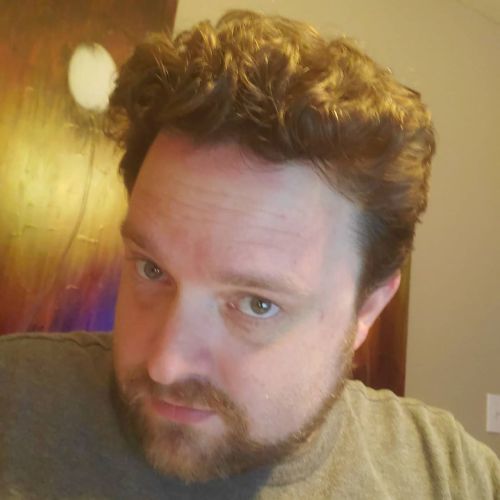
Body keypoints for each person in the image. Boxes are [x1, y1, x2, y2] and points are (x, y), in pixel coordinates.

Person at [1, 9, 498, 499]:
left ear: (367, 307)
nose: (165, 365)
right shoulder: (14, 399)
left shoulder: (453, 477)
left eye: (257, 303)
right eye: (152, 270)